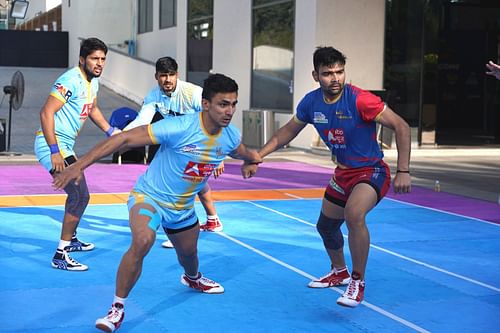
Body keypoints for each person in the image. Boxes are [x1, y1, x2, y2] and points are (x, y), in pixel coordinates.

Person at [52, 74, 262, 332]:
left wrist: (252, 159)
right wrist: (78, 166)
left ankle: (192, 278)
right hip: (149, 197)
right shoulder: (180, 127)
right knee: (143, 240)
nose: (229, 111)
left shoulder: (229, 135)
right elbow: (123, 139)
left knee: (189, 255)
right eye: (222, 104)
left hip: (183, 209)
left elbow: (241, 150)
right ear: (206, 104)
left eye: (233, 104)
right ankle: (116, 308)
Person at [244, 46, 411, 308]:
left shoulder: (360, 100)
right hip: (343, 173)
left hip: (371, 171)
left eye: (339, 72)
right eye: (327, 73)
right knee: (326, 226)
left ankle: (357, 281)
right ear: (315, 75)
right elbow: (287, 131)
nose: (335, 78)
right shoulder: (311, 103)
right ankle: (339, 271)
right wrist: (259, 155)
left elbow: (401, 126)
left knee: (354, 215)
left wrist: (403, 170)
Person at [34, 37, 120, 271]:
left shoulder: (93, 82)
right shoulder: (70, 79)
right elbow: (45, 113)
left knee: (81, 195)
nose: (99, 63)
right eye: (94, 58)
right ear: (82, 59)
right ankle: (60, 254)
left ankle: (70, 239)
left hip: (65, 145)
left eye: (103, 59)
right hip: (50, 143)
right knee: (78, 194)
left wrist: (111, 131)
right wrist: (54, 151)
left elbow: (91, 108)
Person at [124, 57, 224, 247]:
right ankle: (213, 219)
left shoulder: (193, 93)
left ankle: (178, 229)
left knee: (181, 182)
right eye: (163, 76)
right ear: (156, 77)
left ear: (177, 75)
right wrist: (120, 136)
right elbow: (142, 122)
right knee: (197, 183)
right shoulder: (154, 95)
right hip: (177, 145)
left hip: (199, 142)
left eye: (171, 75)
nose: (167, 80)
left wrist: (219, 155)